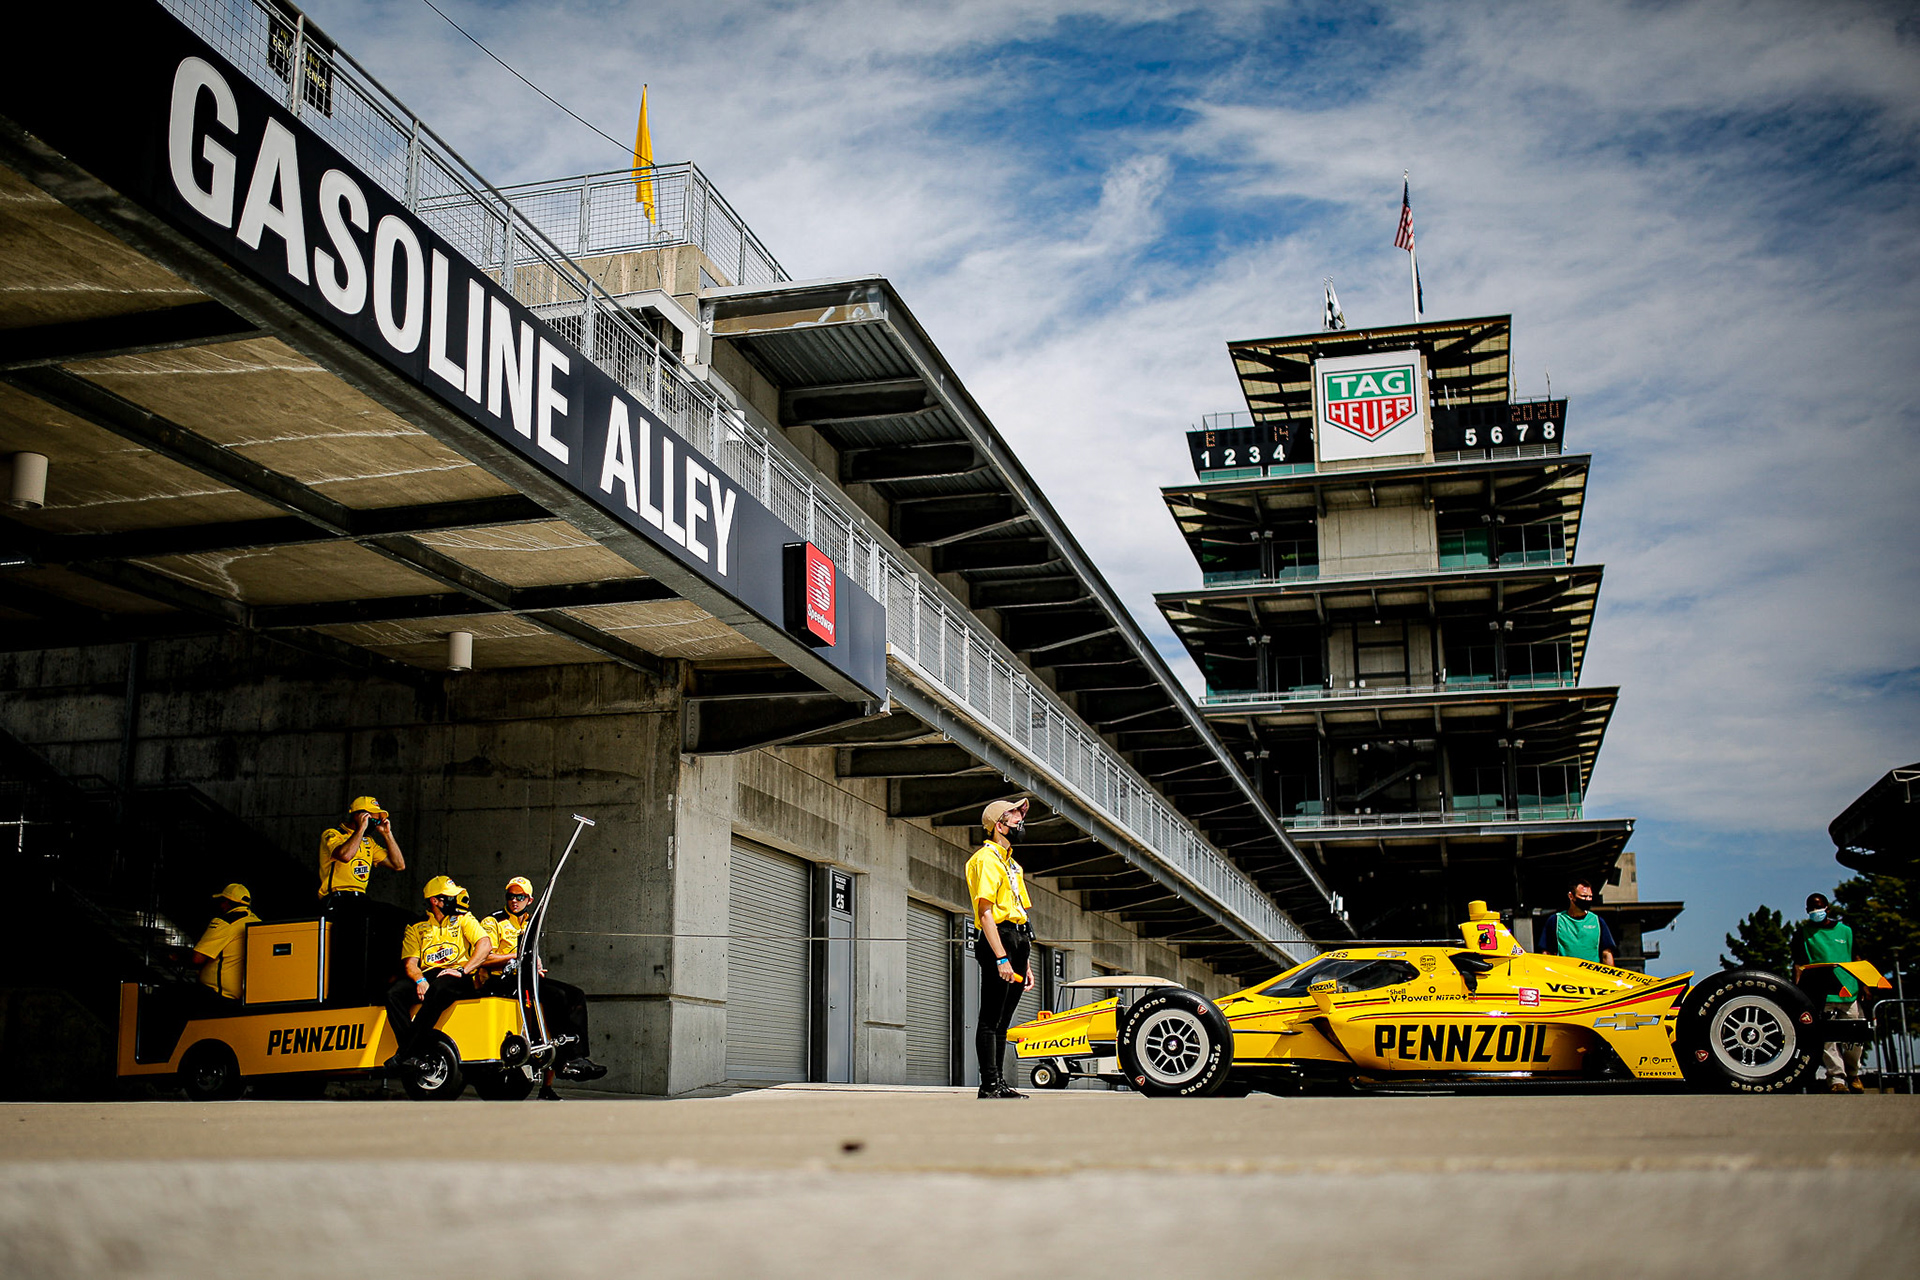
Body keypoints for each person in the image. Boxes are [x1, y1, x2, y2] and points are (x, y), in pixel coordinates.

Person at [478, 875, 606, 1098]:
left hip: (525, 978)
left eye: (520, 897)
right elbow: (483, 958)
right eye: (511, 896)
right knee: (555, 997)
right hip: (501, 981)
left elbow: (529, 956)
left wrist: (535, 964)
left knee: (575, 994)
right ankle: (564, 1061)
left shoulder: (529, 924)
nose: (514, 901)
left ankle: (577, 1056)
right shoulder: (492, 921)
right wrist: (515, 956)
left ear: (529, 899)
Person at [385, 875, 490, 1072]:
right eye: (450, 896)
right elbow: (410, 964)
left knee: (439, 989)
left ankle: (406, 1053)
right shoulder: (416, 927)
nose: (455, 899)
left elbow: (485, 944)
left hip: (457, 975)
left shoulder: (463, 918)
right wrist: (420, 980)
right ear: (435, 901)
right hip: (429, 975)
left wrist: (463, 970)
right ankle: (413, 1052)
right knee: (394, 993)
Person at [966, 797, 1034, 1099]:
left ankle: (1001, 1083)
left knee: (1004, 1020)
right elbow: (985, 913)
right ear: (998, 825)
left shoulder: (1013, 866)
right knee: (990, 1018)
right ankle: (989, 1084)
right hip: (1000, 939)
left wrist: (1026, 962)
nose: (1020, 823)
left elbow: (1021, 909)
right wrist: (1001, 957)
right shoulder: (984, 860)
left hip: (1020, 939)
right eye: (1015, 818)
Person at [317, 796, 405, 1003]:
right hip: (337, 899)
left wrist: (387, 834)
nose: (373, 822)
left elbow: (399, 865)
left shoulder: (369, 843)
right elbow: (345, 855)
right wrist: (360, 829)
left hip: (359, 899)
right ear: (357, 815)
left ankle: (388, 978)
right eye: (369, 816)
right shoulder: (333, 834)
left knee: (400, 919)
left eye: (376, 818)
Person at [1793, 892, 1864, 1093]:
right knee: (1827, 1039)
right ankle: (1836, 1079)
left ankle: (1853, 1073)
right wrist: (1798, 993)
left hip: (1848, 989)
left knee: (1854, 1037)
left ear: (1827, 908)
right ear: (1807, 911)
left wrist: (1865, 985)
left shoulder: (1846, 931)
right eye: (1812, 909)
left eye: (1819, 907)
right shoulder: (1803, 934)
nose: (1816, 912)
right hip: (1819, 992)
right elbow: (1798, 964)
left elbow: (1857, 958)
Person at [191, 883, 259, 1006]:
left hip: (217, 993)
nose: (221, 905)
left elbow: (197, 959)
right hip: (244, 995)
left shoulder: (225, 922)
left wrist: (176, 957)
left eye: (222, 901)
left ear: (228, 902)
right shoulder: (256, 922)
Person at [1536, 877, 1617, 966]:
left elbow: (1606, 954)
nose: (1587, 899)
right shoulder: (1555, 920)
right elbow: (1546, 952)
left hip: (1591, 976)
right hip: (1565, 975)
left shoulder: (1598, 921)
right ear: (1571, 896)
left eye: (1590, 897)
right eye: (1583, 896)